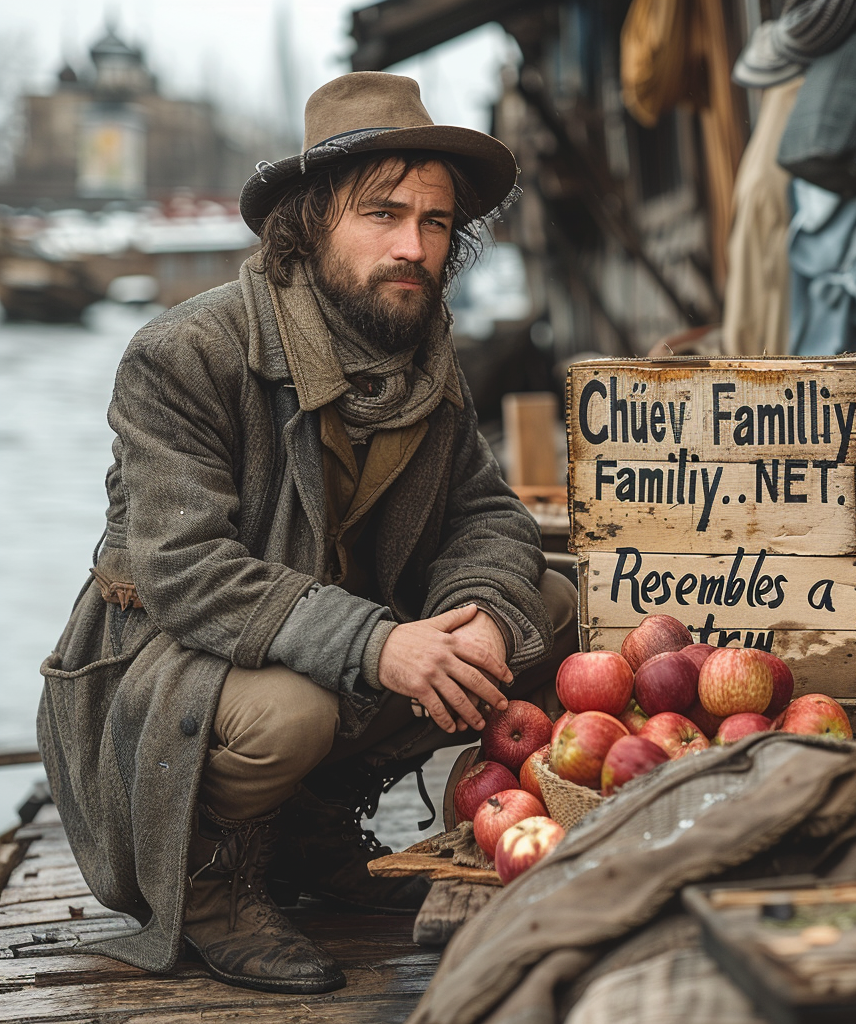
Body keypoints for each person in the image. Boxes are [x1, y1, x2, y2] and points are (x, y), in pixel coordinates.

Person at [38, 72, 577, 995]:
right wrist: (381, 646)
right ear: (309, 219)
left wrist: (480, 611)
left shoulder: (419, 348)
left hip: (331, 645)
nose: (414, 247)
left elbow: (484, 512)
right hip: (168, 671)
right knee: (294, 711)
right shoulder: (184, 354)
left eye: (437, 223)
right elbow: (188, 571)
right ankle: (209, 881)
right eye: (384, 213)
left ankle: (311, 824)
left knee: (553, 609)